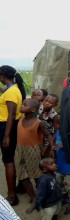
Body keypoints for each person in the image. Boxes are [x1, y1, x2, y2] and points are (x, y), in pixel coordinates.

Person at [15, 98, 53, 214]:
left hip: (33, 151)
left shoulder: (38, 123)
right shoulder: (21, 119)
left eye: (24, 105)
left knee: (37, 176)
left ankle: (42, 196)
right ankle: (33, 197)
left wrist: (52, 148)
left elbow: (49, 135)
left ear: (32, 109)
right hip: (19, 149)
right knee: (22, 175)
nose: (21, 106)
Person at [0, 65, 26, 206]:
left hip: (6, 127)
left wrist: (6, 136)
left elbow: (10, 113)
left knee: (8, 160)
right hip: (12, 126)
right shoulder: (13, 89)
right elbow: (6, 91)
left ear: (3, 77)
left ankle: (11, 195)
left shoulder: (11, 93)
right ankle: (19, 187)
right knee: (12, 158)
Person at [53, 122, 70, 215]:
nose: (59, 126)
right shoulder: (58, 132)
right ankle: (63, 197)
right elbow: (57, 144)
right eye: (58, 123)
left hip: (69, 166)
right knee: (59, 183)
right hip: (59, 164)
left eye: (61, 123)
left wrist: (63, 144)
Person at [38, 94, 59, 158]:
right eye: (46, 100)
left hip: (47, 139)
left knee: (43, 156)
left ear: (55, 105)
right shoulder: (38, 108)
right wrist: (42, 112)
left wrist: (47, 146)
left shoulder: (54, 116)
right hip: (36, 136)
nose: (47, 103)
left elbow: (55, 132)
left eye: (50, 102)